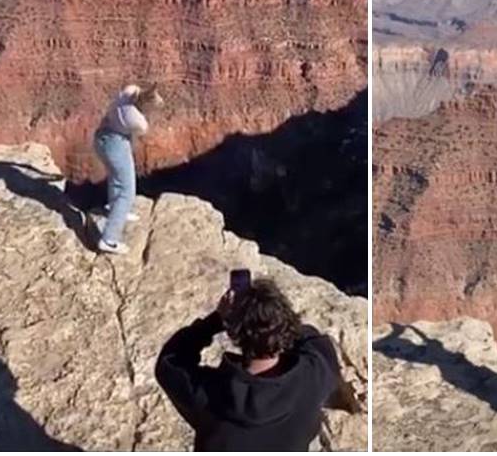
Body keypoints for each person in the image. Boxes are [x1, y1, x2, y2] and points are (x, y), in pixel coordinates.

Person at [155, 277, 341, 451]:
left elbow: (170, 361)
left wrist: (216, 320)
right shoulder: (313, 377)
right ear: (284, 325)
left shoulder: (207, 394)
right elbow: (315, 341)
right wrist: (275, 319)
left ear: (234, 334)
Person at [94, 83, 163, 255]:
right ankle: (109, 239)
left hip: (101, 137)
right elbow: (141, 131)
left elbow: (136, 90)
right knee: (127, 190)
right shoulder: (137, 121)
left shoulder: (129, 91)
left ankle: (115, 208)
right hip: (116, 145)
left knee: (115, 176)